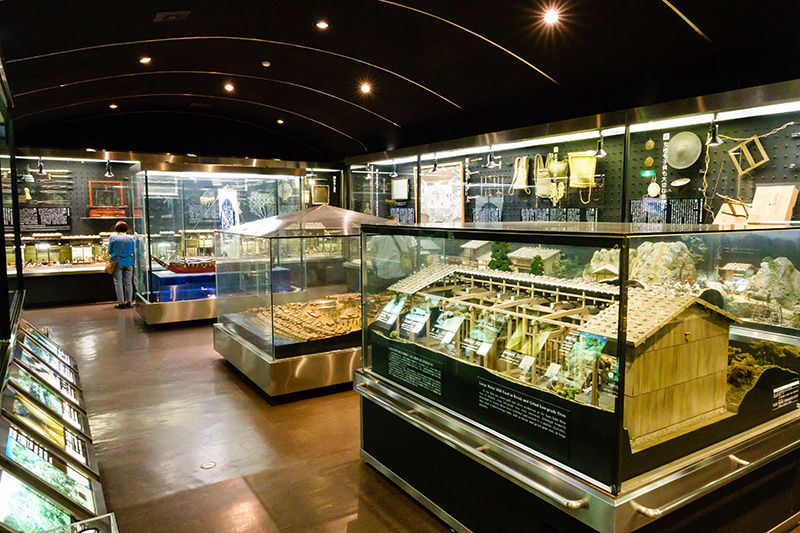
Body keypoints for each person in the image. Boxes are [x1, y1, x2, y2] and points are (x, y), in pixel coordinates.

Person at [107, 221, 135, 309]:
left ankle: (121, 303)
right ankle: (129, 301)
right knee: (128, 282)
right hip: (129, 262)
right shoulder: (130, 238)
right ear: (126, 229)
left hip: (117, 262)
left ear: (116, 229)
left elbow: (109, 251)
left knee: (118, 283)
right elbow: (133, 250)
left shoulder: (112, 237)